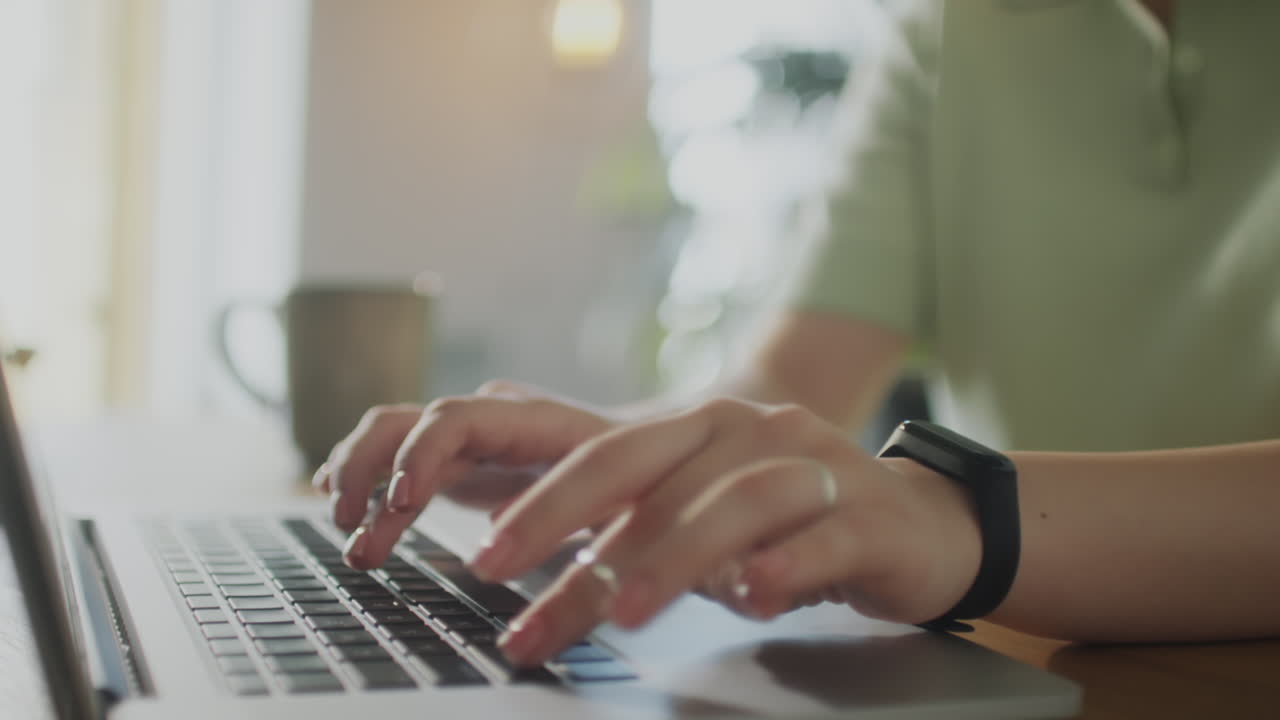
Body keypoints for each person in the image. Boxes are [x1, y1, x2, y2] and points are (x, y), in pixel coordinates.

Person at [315, 0, 1280, 668]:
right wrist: (619, 453)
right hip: (1040, 657)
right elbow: (799, 378)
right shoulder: (953, 29)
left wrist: (951, 517)